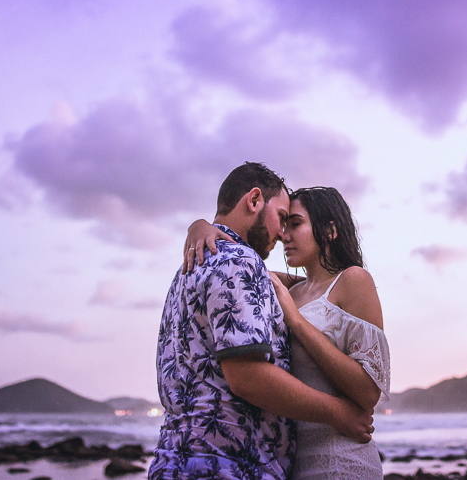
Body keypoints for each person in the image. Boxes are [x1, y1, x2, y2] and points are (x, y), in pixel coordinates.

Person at [150, 163, 374, 480]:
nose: (282, 235)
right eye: (282, 218)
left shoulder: (191, 266)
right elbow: (247, 376)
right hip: (228, 466)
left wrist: (199, 225)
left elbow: (312, 286)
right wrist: (336, 412)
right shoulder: (241, 261)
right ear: (254, 200)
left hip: (176, 460)